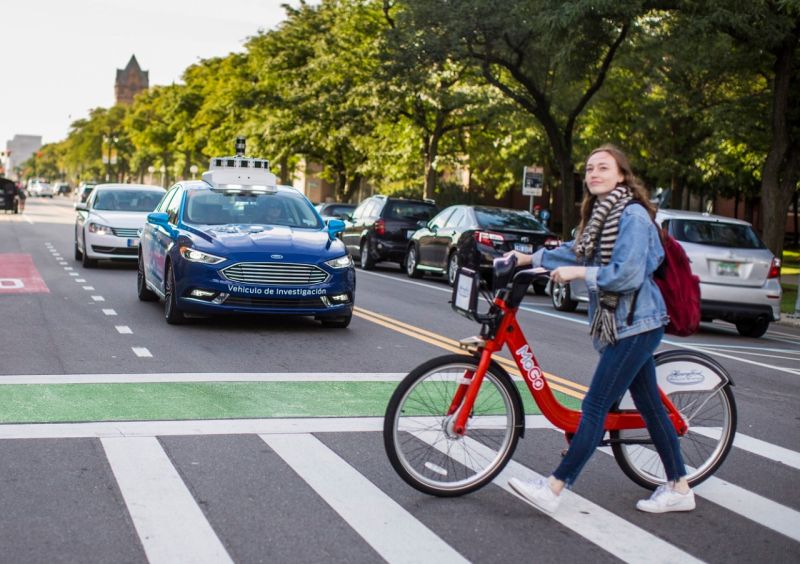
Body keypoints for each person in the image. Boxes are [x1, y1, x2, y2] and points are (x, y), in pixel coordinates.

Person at [506, 144, 695, 514]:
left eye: (603, 168)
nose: (594, 173)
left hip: (636, 325)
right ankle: (680, 487)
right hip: (622, 325)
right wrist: (529, 258)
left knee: (594, 406)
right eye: (590, 168)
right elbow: (577, 250)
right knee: (651, 407)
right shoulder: (600, 217)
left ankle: (555, 486)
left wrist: (580, 275)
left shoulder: (634, 217)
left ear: (622, 175)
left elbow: (626, 274)